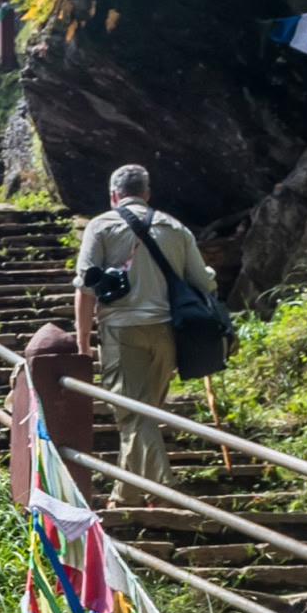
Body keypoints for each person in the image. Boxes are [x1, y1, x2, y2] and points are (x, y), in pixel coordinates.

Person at [74, 164, 217, 501]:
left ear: (113, 196)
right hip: (168, 331)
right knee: (142, 413)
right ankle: (126, 496)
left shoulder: (102, 226)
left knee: (133, 413)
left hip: (122, 331)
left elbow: (85, 286)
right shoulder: (174, 227)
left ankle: (165, 490)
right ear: (147, 193)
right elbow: (203, 281)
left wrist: (82, 342)